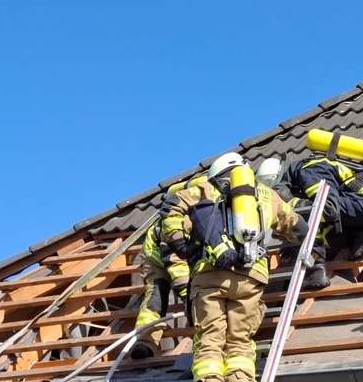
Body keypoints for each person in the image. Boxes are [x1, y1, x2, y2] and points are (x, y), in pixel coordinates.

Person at [161, 152, 310, 382]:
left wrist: (183, 247)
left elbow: (170, 214)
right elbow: (299, 228)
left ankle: (209, 378)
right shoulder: (265, 193)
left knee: (210, 337)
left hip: (210, 274)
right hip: (251, 276)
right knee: (240, 340)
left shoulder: (201, 190)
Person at [263, 155, 363, 290]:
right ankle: (359, 239)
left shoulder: (309, 168)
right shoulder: (306, 174)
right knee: (329, 234)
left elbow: (328, 208)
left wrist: (290, 204)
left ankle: (315, 270)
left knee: (306, 211)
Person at [130, 219, 190, 359]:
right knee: (155, 300)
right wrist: (187, 295)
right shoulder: (174, 225)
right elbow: (177, 265)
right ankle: (144, 343)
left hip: (181, 257)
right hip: (155, 260)